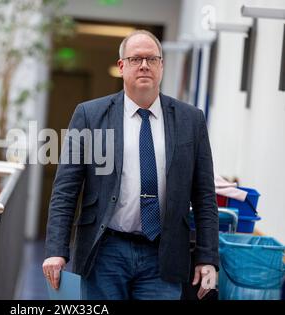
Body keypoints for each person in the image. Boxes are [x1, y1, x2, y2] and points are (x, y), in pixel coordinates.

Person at [42, 30, 219, 300]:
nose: (144, 65)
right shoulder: (90, 115)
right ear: (122, 66)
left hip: (164, 254)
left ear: (162, 66)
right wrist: (56, 249)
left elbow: (205, 195)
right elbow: (66, 188)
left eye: (152, 58)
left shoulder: (190, 120)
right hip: (105, 252)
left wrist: (208, 258)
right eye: (136, 59)